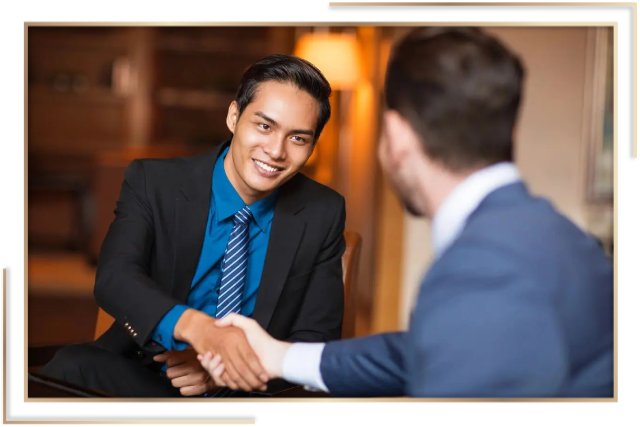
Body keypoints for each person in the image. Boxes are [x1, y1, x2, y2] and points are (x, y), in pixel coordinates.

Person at [199, 27, 614, 398]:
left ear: (396, 136)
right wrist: (279, 357)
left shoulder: (484, 269)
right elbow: (423, 351)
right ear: (510, 133)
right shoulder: (557, 235)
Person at [40, 54, 347, 397]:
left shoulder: (322, 211)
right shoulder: (154, 183)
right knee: (73, 366)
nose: (276, 150)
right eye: (264, 126)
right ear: (234, 116)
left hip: (248, 393)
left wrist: (224, 371)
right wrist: (199, 330)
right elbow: (116, 277)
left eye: (298, 139)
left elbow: (316, 340)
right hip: (150, 375)